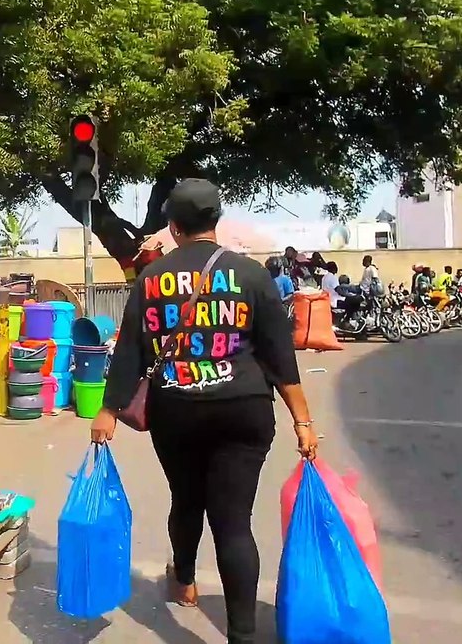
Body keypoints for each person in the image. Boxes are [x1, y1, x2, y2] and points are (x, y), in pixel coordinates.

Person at [91, 178, 316, 644]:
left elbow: (130, 351)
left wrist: (108, 411)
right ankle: (243, 635)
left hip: (177, 412)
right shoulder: (251, 275)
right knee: (234, 523)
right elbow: (280, 358)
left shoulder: (150, 279)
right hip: (245, 411)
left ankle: (186, 579)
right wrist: (303, 422)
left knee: (187, 499)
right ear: (216, 220)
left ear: (172, 226)